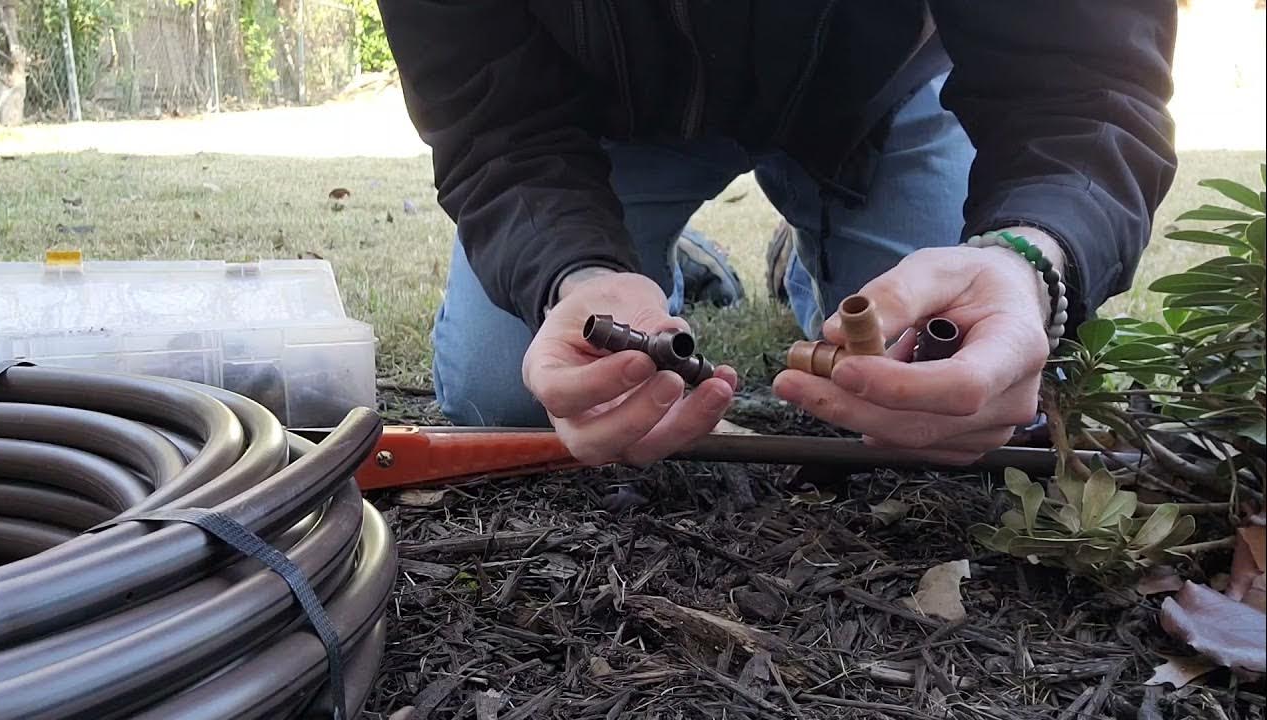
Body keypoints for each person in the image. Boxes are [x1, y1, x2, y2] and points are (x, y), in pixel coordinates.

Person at [374, 2, 1178, 467]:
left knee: (941, 366)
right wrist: (576, 270)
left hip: (871, 104)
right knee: (511, 389)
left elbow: (1084, 87)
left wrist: (1029, 254)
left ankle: (815, 244)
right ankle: (644, 250)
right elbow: (496, 128)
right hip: (606, 121)